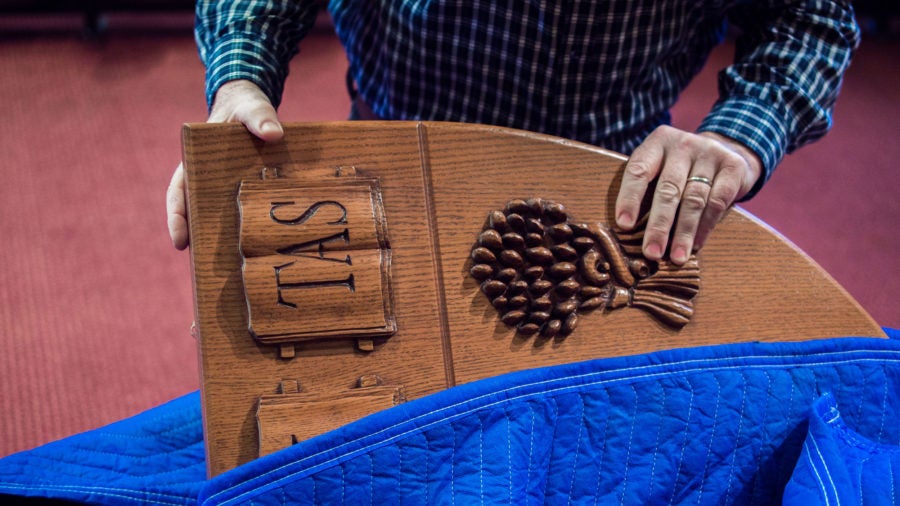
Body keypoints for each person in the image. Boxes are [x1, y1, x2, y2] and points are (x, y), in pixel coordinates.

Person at [167, 0, 860, 265]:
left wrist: (738, 138)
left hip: (612, 210)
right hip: (392, 174)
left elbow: (810, 18)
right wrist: (241, 78)